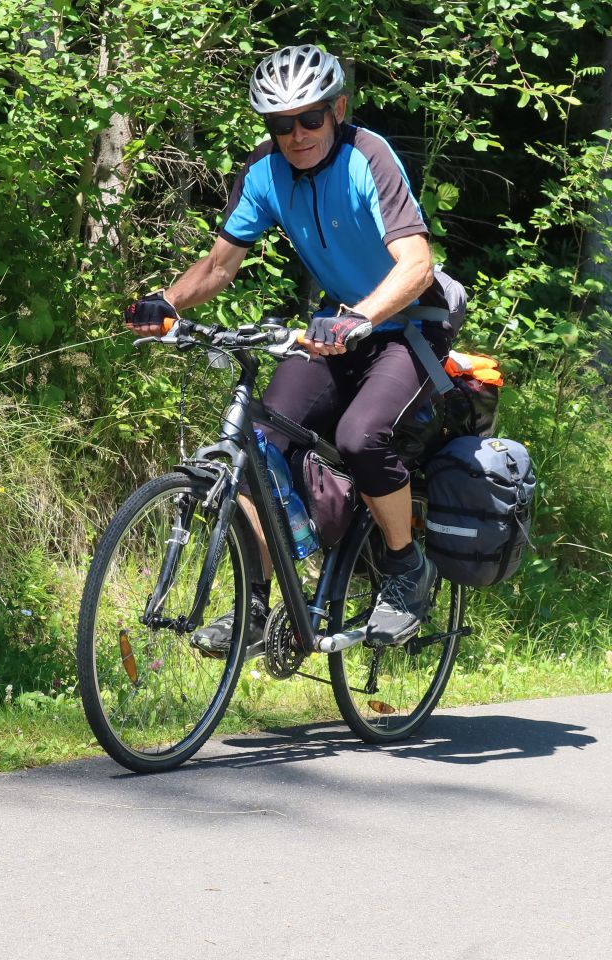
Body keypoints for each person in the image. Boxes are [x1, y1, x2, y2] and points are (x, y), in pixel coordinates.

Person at [125, 44, 458, 655]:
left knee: (361, 435)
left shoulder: (368, 156)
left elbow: (416, 265)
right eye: (281, 124)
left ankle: (407, 568)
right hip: (337, 326)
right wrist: (165, 303)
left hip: (412, 323)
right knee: (258, 442)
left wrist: (359, 318)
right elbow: (220, 265)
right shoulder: (265, 172)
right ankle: (256, 607)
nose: (296, 134)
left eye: (309, 118)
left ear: (337, 109)